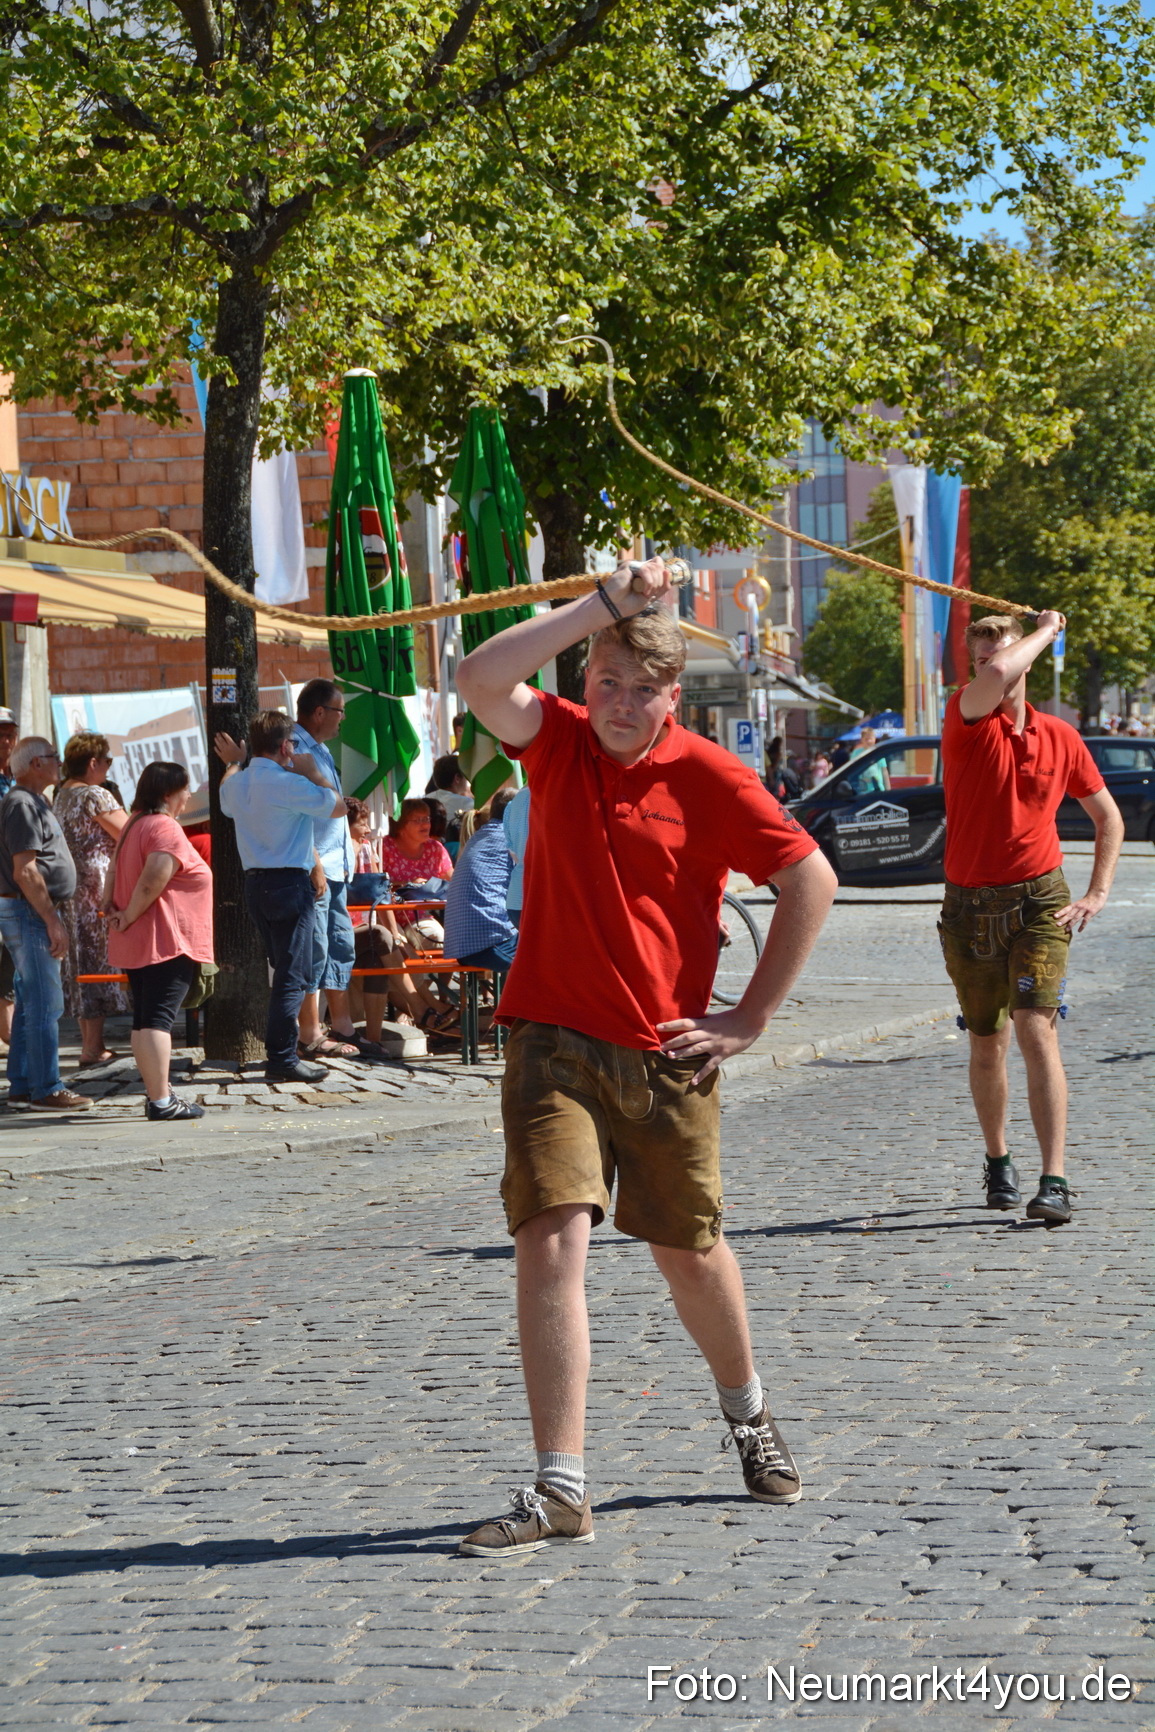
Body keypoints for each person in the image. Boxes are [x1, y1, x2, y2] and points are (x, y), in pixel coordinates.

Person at [453, 558, 837, 1557]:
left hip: (668, 1055)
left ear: (676, 696)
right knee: (550, 1237)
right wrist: (601, 608)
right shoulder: (560, 746)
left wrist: (749, 1019)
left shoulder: (708, 774)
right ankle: (560, 1486)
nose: (621, 706)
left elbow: (812, 880)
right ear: (588, 685)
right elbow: (478, 679)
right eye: (607, 683)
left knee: (690, 1252)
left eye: (642, 689)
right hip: (550, 1040)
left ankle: (747, 1412)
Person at [940, 613, 1124, 1227]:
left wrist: (1097, 892)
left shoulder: (1061, 736)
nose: (994, 654)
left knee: (1034, 1028)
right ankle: (998, 1160)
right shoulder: (965, 714)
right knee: (986, 1042)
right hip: (970, 907)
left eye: (1004, 640)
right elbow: (997, 672)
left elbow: (1109, 819)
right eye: (983, 644)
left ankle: (1055, 1179)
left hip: (1040, 902)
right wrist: (1046, 629)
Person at [214, 712, 349, 1084]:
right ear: (286, 746)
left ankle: (283, 1052)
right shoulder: (289, 782)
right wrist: (312, 772)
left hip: (256, 885)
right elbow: (338, 808)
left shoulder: (237, 783)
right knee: (292, 975)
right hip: (289, 884)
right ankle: (282, 1057)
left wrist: (234, 763)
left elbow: (226, 796)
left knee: (284, 972)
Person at [105, 762, 213, 1120]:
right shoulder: (164, 826)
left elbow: (113, 870)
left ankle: (159, 1094)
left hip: (143, 937)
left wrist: (116, 910)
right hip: (165, 937)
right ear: (169, 793)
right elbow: (154, 879)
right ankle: (161, 1101)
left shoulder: (134, 823)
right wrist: (129, 913)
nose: (188, 797)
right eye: (185, 790)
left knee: (144, 1020)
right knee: (157, 1020)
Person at [0, 736, 90, 1111]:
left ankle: (23, 1083)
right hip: (31, 911)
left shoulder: (33, 801)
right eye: (53, 757)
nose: (59, 763)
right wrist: (52, 920)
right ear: (36, 763)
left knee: (30, 1000)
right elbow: (26, 870)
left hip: (29, 910)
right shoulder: (22, 803)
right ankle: (45, 1088)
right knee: (44, 1004)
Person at [289, 680, 367, 1062]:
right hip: (316, 869)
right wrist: (315, 865)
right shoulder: (296, 749)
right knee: (315, 951)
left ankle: (343, 1026)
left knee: (339, 947)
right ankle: (310, 1033)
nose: (342, 719)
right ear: (319, 712)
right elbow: (301, 817)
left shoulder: (317, 749)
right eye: (339, 711)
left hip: (337, 870)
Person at [54, 732, 129, 1066]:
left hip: (69, 891)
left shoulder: (61, 794)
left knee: (80, 965)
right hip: (97, 889)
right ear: (94, 763)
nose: (109, 768)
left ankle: (90, 1045)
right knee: (97, 962)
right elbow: (130, 832)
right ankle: (94, 1048)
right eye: (108, 761)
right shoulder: (94, 795)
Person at [442, 789, 519, 975]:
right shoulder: (512, 840)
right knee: (556, 955)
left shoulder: (480, 837)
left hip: (463, 948)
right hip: (492, 945)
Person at [0, 706, 17, 1048]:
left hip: (14, 884)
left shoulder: (18, 777)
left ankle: (10, 1034)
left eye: (9, 733)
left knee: (10, 958)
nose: (5, 740)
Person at [503, 783, 531, 929]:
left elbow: (515, 855)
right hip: (542, 899)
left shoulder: (513, 804)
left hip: (516, 900)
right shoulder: (554, 794)